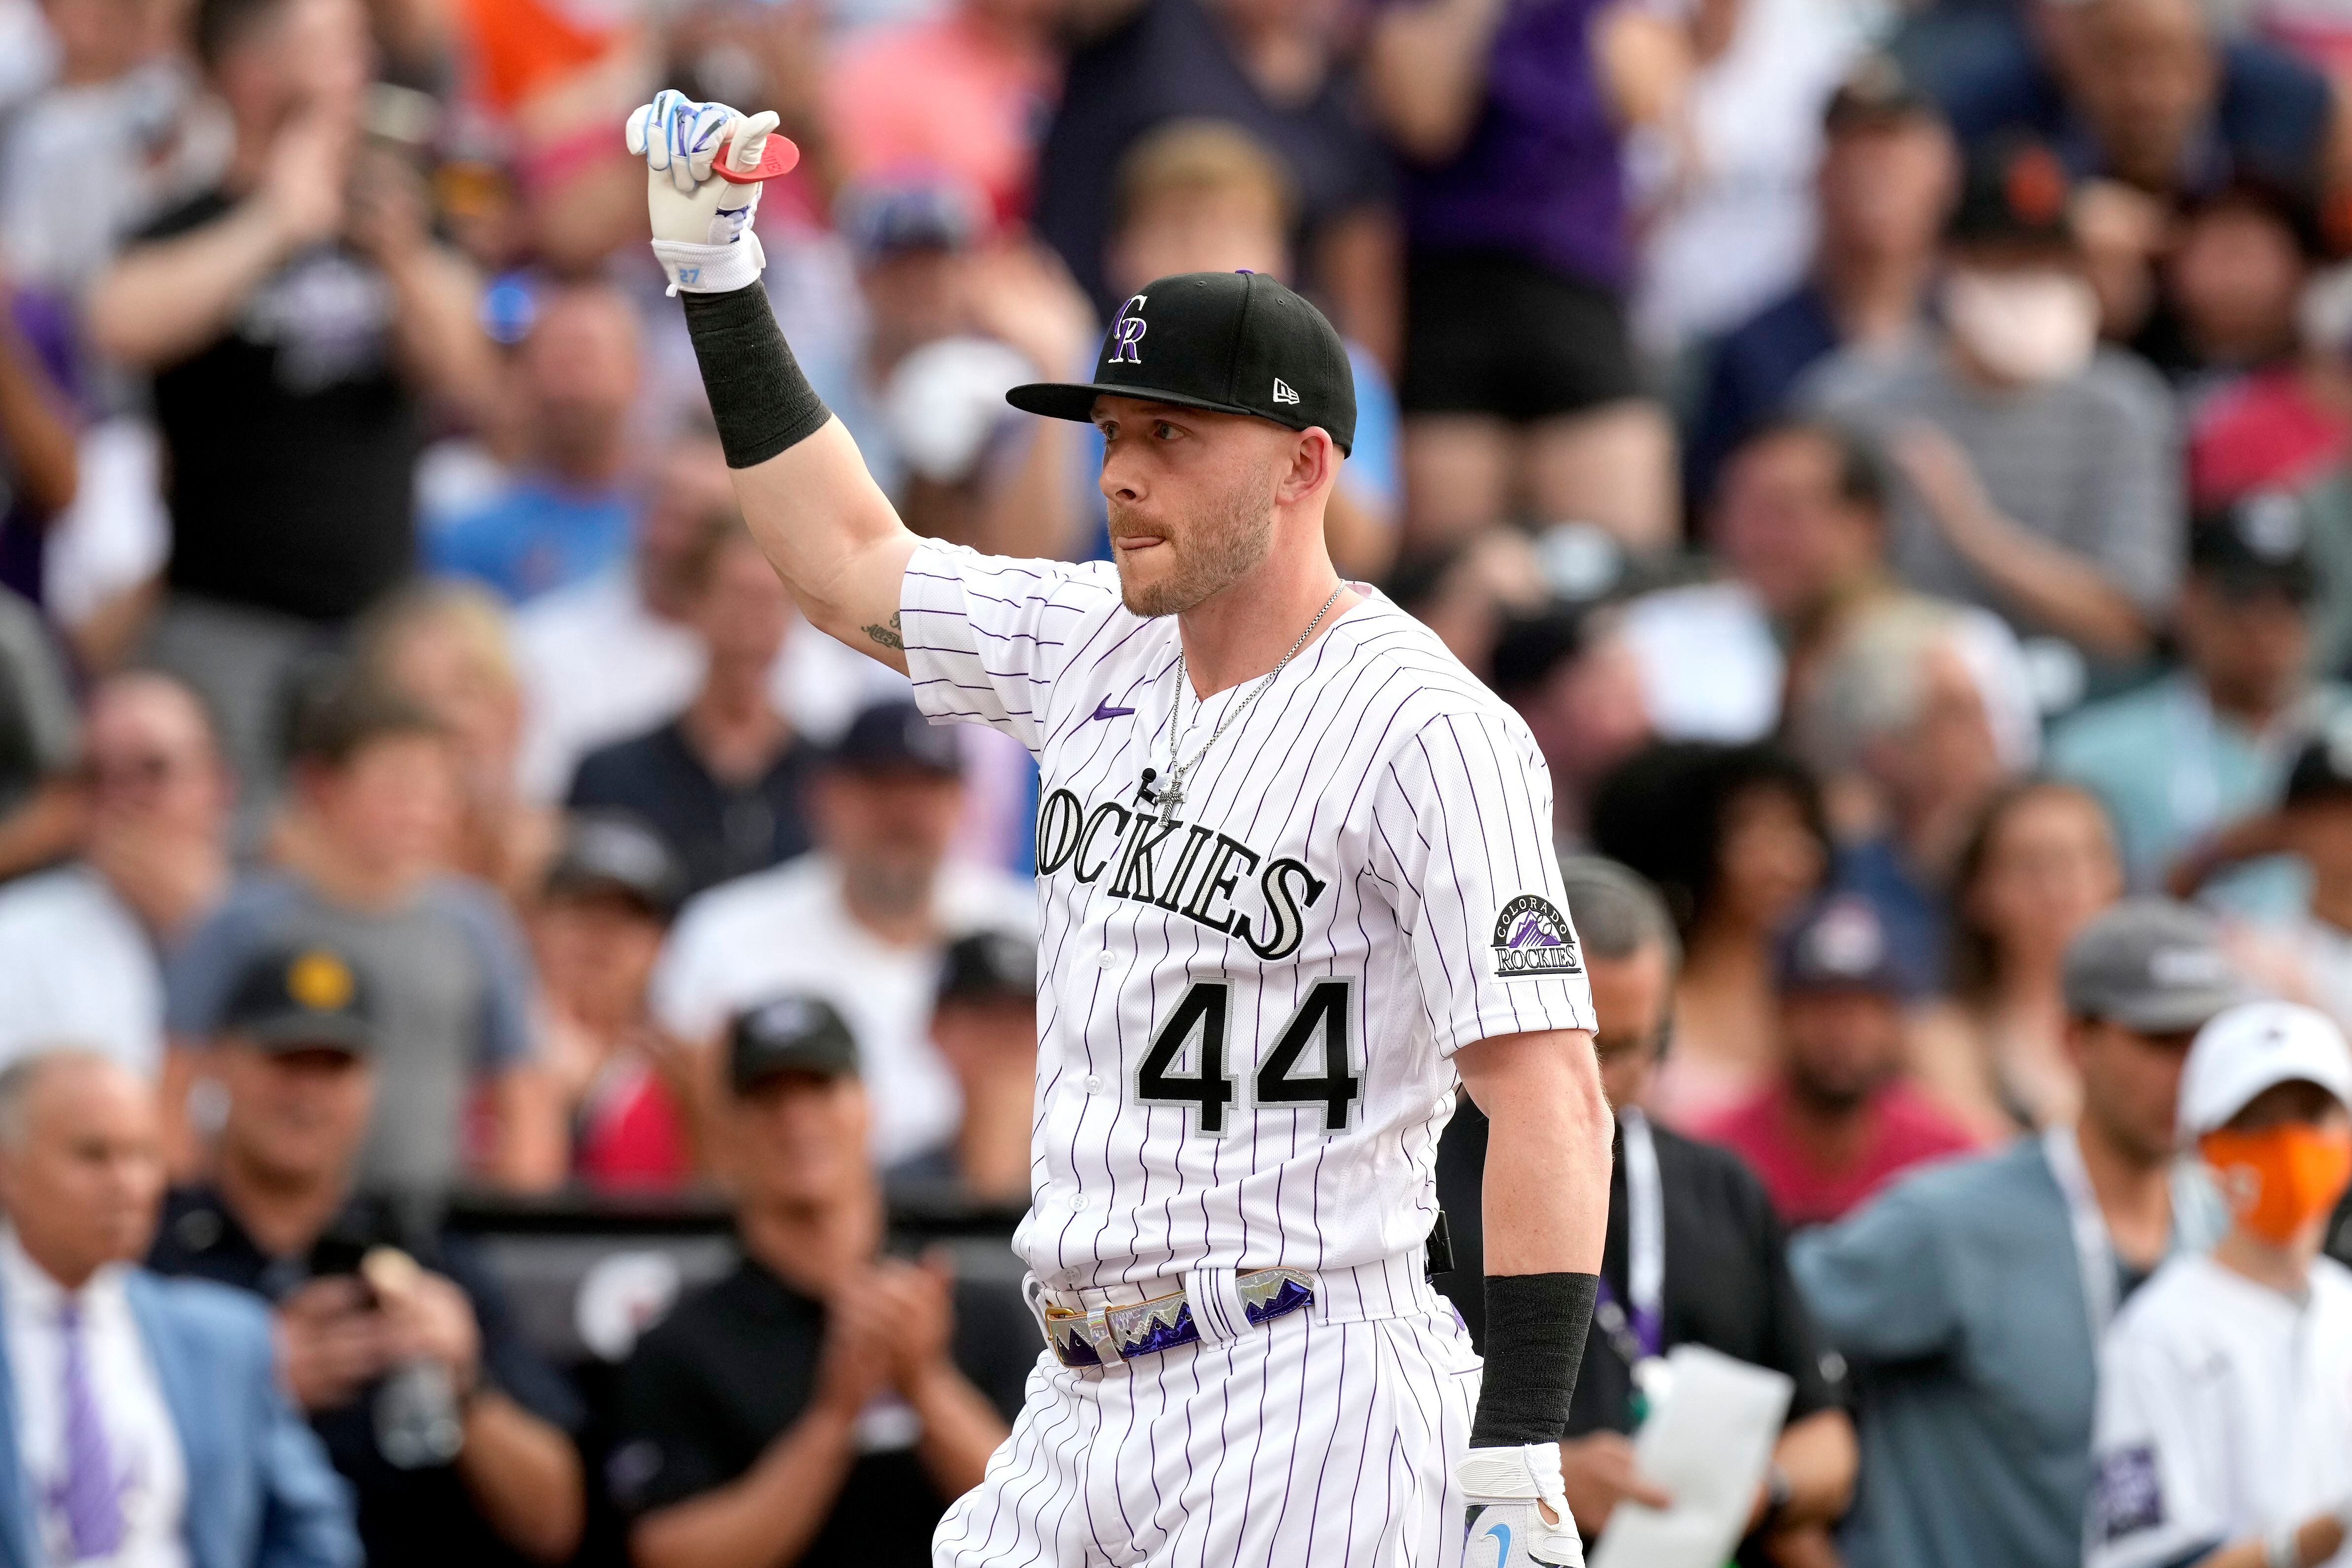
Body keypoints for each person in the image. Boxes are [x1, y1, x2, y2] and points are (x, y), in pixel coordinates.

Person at [628, 92, 1614, 1565]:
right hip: (1075, 1391)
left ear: (1301, 466)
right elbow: (845, 563)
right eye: (1109, 432)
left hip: (1309, 1382)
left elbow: (1546, 1094)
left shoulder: (1428, 728)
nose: (1121, 472)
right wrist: (719, 282)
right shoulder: (1088, 635)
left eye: (1170, 435)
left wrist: (1520, 1439)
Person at [86, 0, 493, 800]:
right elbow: (118, 323)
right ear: (251, 74)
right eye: (334, 49)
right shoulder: (187, 223)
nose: (360, 70)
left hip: (375, 631)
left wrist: (402, 257)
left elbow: (472, 379)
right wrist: (278, 220)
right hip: (225, 621)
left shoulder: (394, 221)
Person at [1791, 898, 2240, 1568]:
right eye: (2156, 1041)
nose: (2186, 1072)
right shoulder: (1949, 1222)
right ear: (2074, 1042)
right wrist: (1792, 1530)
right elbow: (1748, 1319)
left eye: (2206, 1040)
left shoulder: (2229, 1229)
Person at [147, 941, 587, 1566]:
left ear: (371, 1082)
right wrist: (246, 1385)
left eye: (334, 1066)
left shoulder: (427, 1260)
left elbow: (553, 1525)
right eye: (285, 1060)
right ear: (220, 1063)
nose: (307, 1093)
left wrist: (465, 1387)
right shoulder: (152, 1251)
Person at [607, 994, 1031, 1568]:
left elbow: (1047, 1521)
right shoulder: (682, 1344)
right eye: (769, 1097)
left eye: (819, 1089)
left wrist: (925, 1383)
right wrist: (834, 1419)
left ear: (867, 1106)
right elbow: (669, 1553)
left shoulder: (976, 1312)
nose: (797, 1119)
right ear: (727, 1128)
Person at [1542, 859, 1858, 1567]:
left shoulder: (1719, 1187)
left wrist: (1755, 1488)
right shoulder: (1417, 1186)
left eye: (1628, 1048)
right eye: (1575, 1044)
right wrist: (1542, 1476)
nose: (1597, 1078)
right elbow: (1350, 1442)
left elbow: (1827, 1443)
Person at [1801, 134, 2179, 663]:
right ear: (1947, 263)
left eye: (2046, 261)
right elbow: (1810, 593)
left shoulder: (2126, 406)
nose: (2025, 279)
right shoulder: (1851, 400)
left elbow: (2130, 621)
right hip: (1897, 691)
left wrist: (1975, 532)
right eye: (2002, 260)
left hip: (2085, 703)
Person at [165, 679, 556, 1191]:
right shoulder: (245, 923)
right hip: (265, 1217)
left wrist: (513, 1224)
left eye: (437, 789)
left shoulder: (475, 924)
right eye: (397, 786)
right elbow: (174, 1083)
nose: (420, 809)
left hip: (426, 1219)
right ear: (321, 785)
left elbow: (523, 1094)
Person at [0, 1048, 359, 1568]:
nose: (127, 1184)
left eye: (144, 1155)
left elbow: (312, 1530)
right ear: (10, 1169)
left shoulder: (224, 1339)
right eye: (93, 1155)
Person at [650, 698, 1027, 1170]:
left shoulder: (1031, 927)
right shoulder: (726, 931)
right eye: (878, 787)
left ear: (963, 803)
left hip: (997, 1217)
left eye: (924, 789)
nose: (902, 814)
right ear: (822, 795)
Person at [2086, 999, 2352, 1568]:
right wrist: (2321, 1534)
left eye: (2312, 1114)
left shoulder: (2345, 1307)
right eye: (2257, 1120)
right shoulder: (2159, 1333)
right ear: (2206, 1144)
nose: (2290, 1143)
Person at [510, 433, 901, 801]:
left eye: (767, 604)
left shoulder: (827, 689)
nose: (750, 628)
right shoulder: (549, 646)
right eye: (671, 509)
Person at [1100, 119, 1402, 582]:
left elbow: (1366, 549)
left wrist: (1283, 396)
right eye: (1176, 232)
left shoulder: (1340, 370)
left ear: (1281, 259)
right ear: (1119, 255)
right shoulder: (1089, 369)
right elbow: (1036, 540)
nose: (1202, 254)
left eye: (1229, 232)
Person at [1033, 0, 1397, 357]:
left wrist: (1350, 389)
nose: (1201, 246)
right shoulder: (1152, 20)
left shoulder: (1344, 93)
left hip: (1248, 359)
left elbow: (1363, 283)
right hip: (1082, 331)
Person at [2053, 490, 2351, 917]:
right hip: (2174, 968)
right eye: (2243, 599)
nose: (2268, 626)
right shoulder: (2095, 755)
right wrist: (2218, 855)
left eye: (2292, 600)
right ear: (2189, 600)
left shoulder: (2345, 726)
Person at [1684, 59, 1955, 503]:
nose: (1874, 175)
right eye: (1854, 153)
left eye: (1894, 154)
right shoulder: (1755, 349)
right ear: (1820, 175)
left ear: (1942, 174)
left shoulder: (1978, 335)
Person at [1590, 740, 1831, 1131]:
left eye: (1799, 827)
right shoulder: (1648, 1002)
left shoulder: (1838, 1004)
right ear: (1699, 844)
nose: (1785, 858)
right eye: (1751, 829)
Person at [568, 524, 819, 896]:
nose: (753, 625)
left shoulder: (828, 780)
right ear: (695, 604)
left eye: (773, 602)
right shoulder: (612, 774)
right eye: (739, 598)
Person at [0, 671, 230, 1075]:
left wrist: (211, 933)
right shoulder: (15, 939)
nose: (124, 798)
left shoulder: (277, 925)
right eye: (97, 775)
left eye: (153, 770)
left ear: (219, 784)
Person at [1702, 890, 1977, 1228]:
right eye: (1822, 1007)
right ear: (1780, 1015)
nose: (1842, 1032)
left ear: (1896, 1022)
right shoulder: (1717, 1154)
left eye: (1864, 1009)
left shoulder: (1945, 1158)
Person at [1792, 597, 2026, 986]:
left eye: (1986, 710)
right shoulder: (1829, 886)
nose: (1990, 737)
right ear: (1884, 750)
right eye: (1957, 715)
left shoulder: (2030, 861)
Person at [1911, 779, 2125, 1140]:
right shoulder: (1946, 1038)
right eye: (2030, 866)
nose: (2060, 888)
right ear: (1978, 893)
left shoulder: (2159, 1031)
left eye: (2085, 859)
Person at [427, 279, 642, 603]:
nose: (568, 386)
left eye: (585, 360)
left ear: (636, 372)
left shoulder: (674, 521)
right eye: (552, 362)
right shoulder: (471, 535)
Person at [530, 811, 696, 1192]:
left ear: (660, 944)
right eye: (581, 911)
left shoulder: (683, 1075)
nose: (601, 934)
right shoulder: (489, 1052)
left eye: (627, 917)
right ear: (537, 924)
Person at [901, 927, 1036, 1205]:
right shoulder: (892, 1193)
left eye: (1026, 1014)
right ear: (937, 1028)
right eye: (984, 1011)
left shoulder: (1110, 1179)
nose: (1006, 1035)